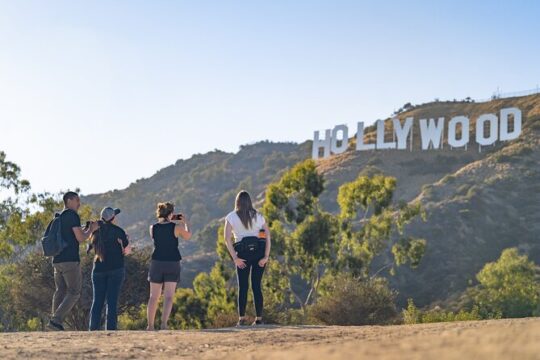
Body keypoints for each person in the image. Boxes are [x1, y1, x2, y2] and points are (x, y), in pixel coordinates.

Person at [48, 191, 98, 331]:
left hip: (57, 259)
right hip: (70, 259)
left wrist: (86, 229)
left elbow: (73, 233)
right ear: (69, 200)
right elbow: (81, 238)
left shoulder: (60, 216)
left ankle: (54, 321)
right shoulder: (72, 215)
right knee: (74, 292)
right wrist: (92, 230)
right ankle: (56, 320)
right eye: (77, 200)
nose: (79, 204)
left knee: (60, 290)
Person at [224, 190, 271, 326]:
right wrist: (266, 256)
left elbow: (227, 239)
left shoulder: (231, 217)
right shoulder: (259, 216)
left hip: (242, 254)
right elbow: (268, 236)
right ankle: (259, 319)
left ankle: (242, 319)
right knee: (257, 286)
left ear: (237, 202)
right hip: (259, 253)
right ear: (250, 201)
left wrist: (235, 258)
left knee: (243, 287)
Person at [146, 202, 192, 331]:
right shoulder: (176, 227)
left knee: (153, 296)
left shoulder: (152, 228)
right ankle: (164, 324)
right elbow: (188, 236)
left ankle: (150, 326)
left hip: (156, 263)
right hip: (172, 263)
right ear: (171, 214)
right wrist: (186, 223)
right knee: (169, 296)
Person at [88, 207, 132, 331]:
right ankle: (111, 331)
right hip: (116, 269)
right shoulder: (119, 231)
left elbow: (90, 247)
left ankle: (93, 330)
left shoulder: (95, 232)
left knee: (97, 302)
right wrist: (128, 240)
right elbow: (127, 251)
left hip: (98, 269)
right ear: (113, 218)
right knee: (111, 302)